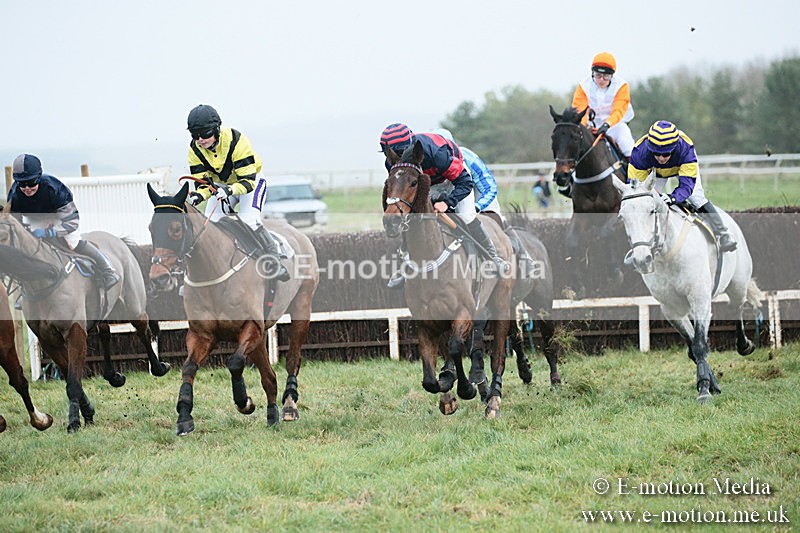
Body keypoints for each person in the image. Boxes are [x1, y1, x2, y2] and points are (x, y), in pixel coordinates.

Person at [380, 123, 510, 288]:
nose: (394, 159)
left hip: (455, 179)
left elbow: (464, 182)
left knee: (466, 216)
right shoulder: (391, 161)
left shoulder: (436, 153)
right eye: (390, 155)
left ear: (409, 148)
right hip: (425, 181)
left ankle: (493, 257)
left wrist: (447, 202)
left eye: (397, 154)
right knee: (411, 216)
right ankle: (405, 264)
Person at [185, 104, 289, 281]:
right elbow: (203, 184)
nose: (201, 139)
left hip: (251, 181)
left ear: (216, 129)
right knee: (208, 228)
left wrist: (228, 190)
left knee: (249, 220)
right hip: (222, 186)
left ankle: (274, 262)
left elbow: (247, 183)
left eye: (205, 133)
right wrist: (199, 195)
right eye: (196, 135)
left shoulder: (237, 141)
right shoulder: (194, 150)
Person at [430, 127, 537, 277]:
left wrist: (476, 207)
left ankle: (524, 257)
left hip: (478, 194)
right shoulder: (428, 163)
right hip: (450, 197)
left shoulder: (468, 158)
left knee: (491, 217)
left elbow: (490, 188)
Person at [6, 154, 120, 290]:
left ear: (39, 177)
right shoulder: (14, 194)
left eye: (31, 183)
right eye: (22, 184)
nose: (27, 188)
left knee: (73, 242)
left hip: (60, 219)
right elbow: (14, 222)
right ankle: (24, 288)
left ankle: (107, 269)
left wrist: (50, 232)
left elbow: (73, 221)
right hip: (33, 219)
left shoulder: (54, 188)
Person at [628, 121, 737, 252]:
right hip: (654, 171)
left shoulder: (686, 150)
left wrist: (673, 198)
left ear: (674, 148)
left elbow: (687, 186)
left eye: (666, 154)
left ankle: (722, 233)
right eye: (656, 154)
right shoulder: (639, 152)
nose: (661, 158)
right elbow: (635, 188)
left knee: (696, 198)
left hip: (680, 167)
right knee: (644, 203)